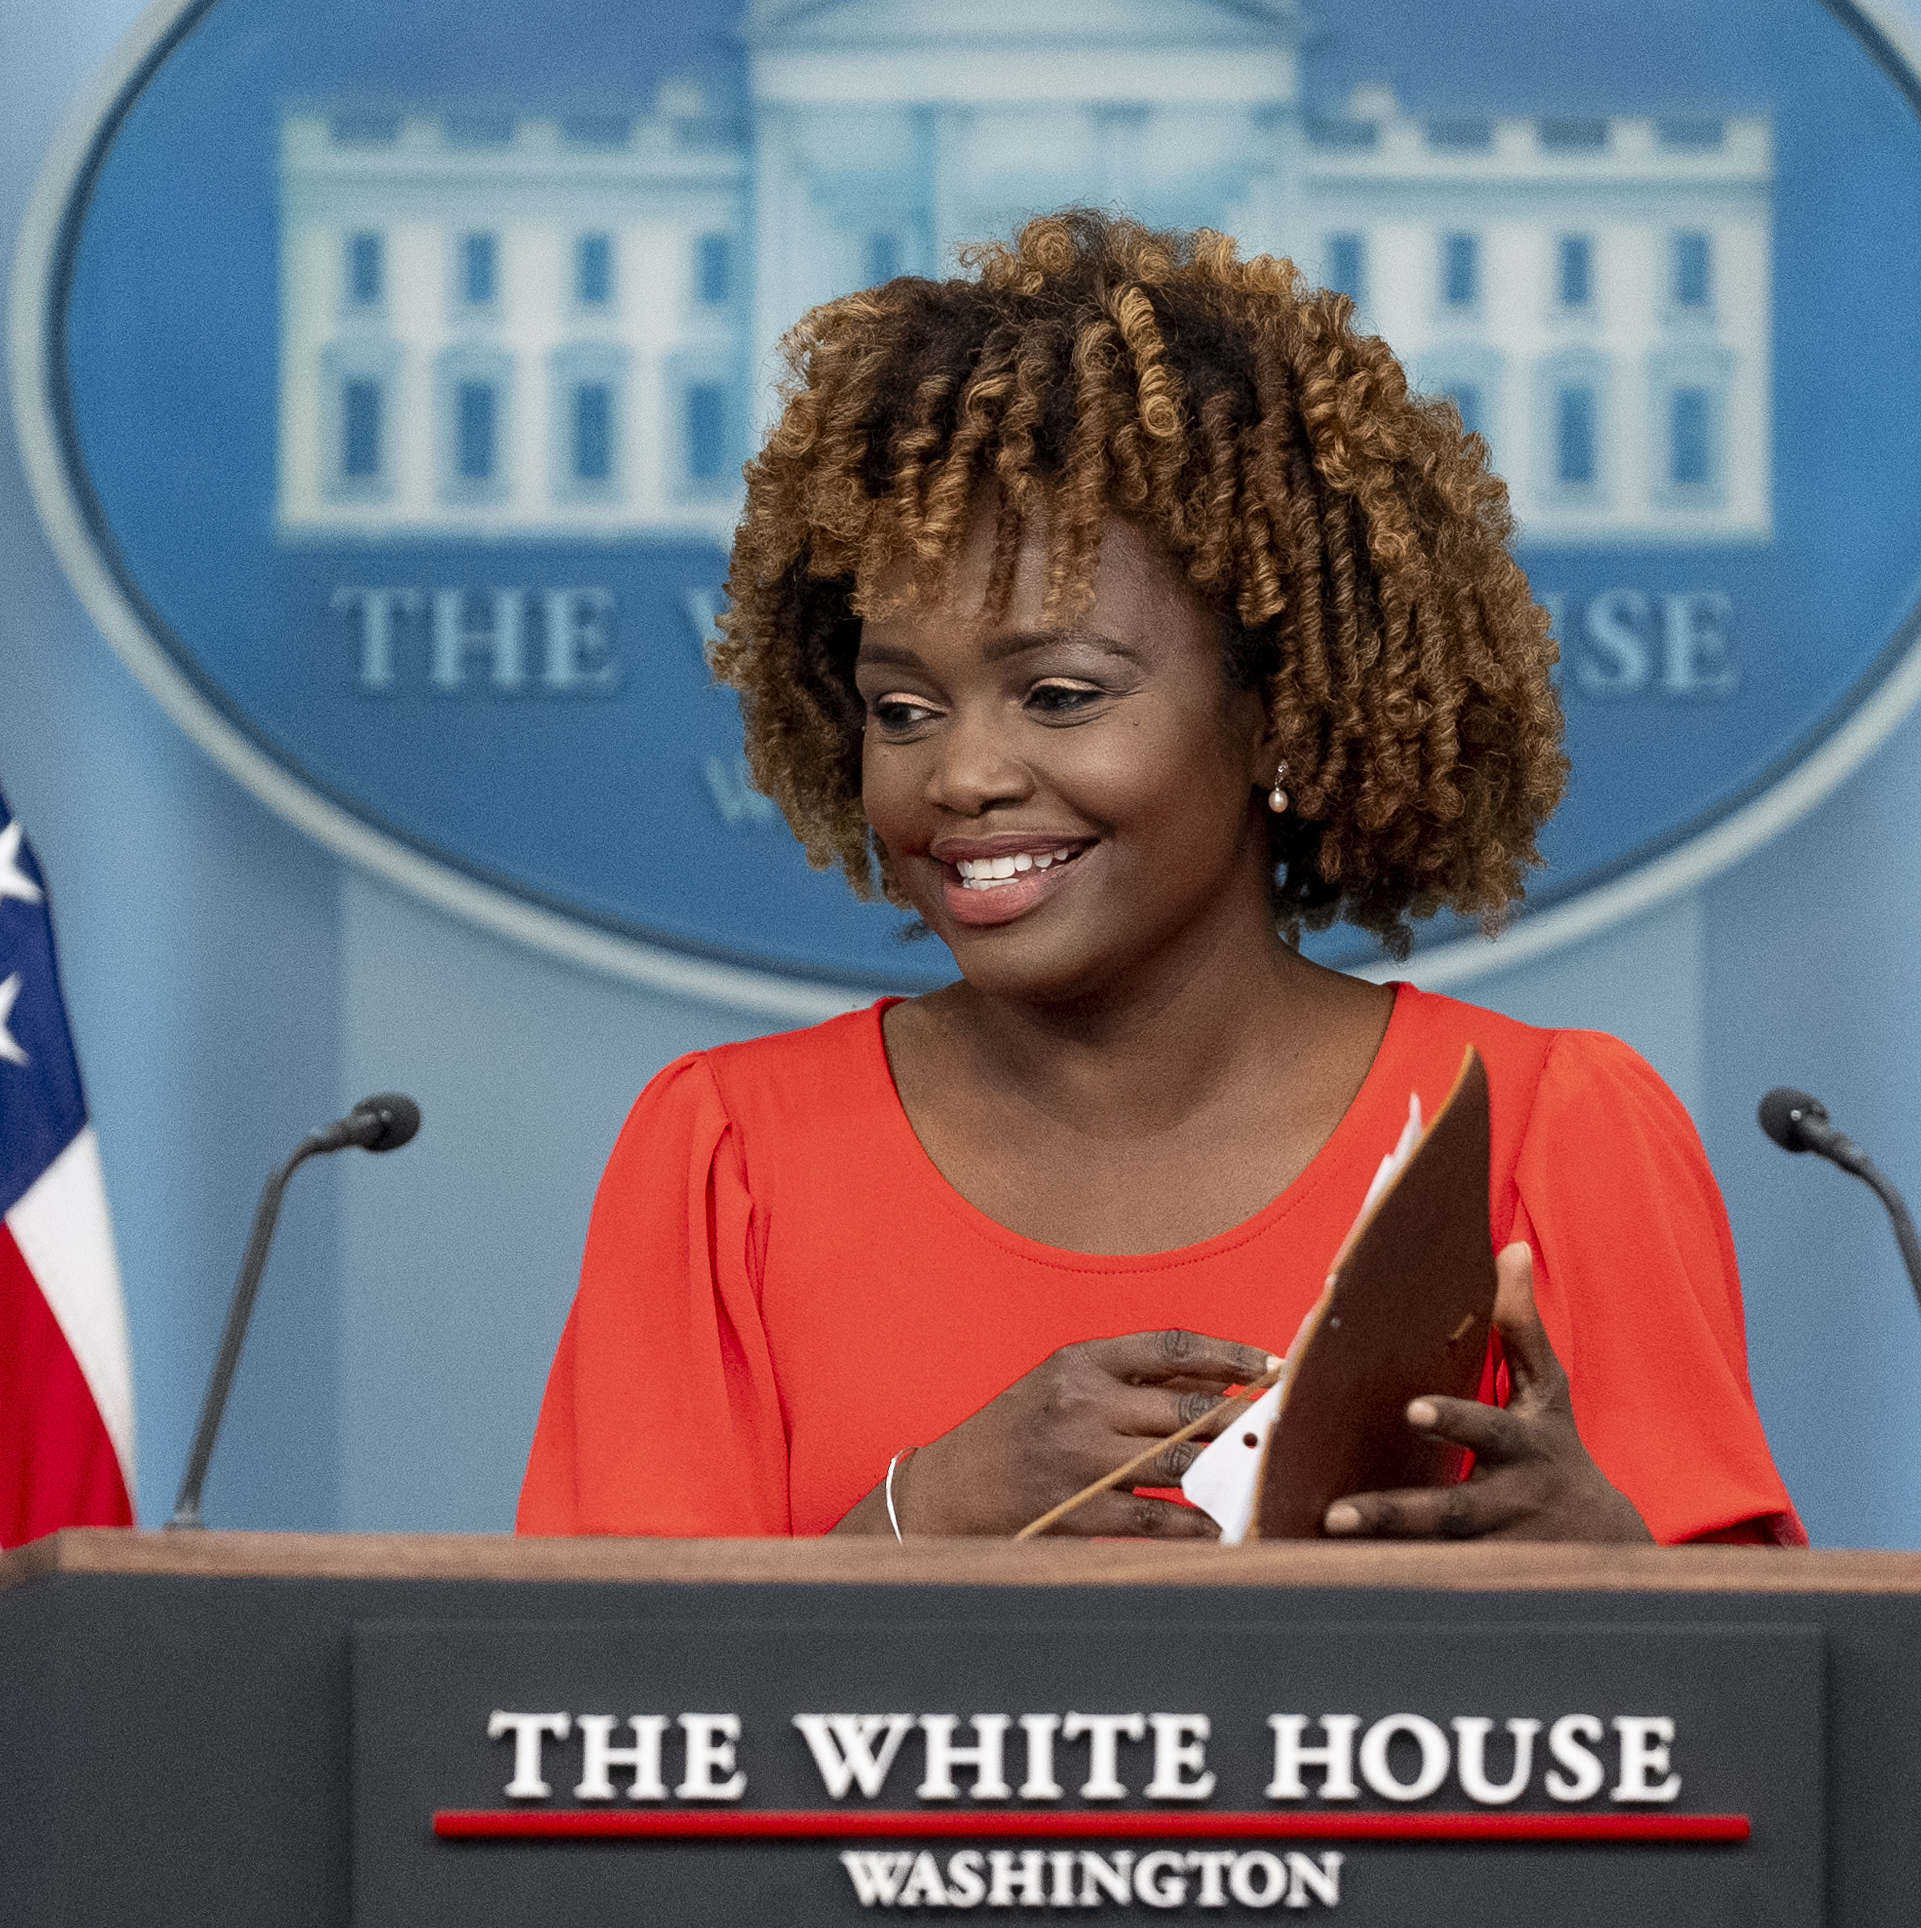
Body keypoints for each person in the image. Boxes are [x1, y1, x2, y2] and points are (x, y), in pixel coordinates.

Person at [517, 212, 1800, 1547]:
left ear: (1279, 715)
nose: (961, 775)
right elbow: (597, 1711)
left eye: (1060, 695)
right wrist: (919, 1522)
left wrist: (1612, 1572)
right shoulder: (728, 1160)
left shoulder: (1547, 1137)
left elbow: (1750, 1722)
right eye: (901, 710)